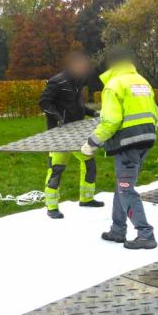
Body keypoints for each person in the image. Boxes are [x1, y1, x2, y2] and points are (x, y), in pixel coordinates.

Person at [81, 46, 158, 249]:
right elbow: (155, 112)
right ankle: (117, 230)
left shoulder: (114, 85)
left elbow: (111, 121)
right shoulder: (142, 81)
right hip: (147, 139)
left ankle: (145, 234)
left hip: (127, 144)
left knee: (125, 189)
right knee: (121, 185)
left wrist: (92, 143)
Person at [39, 50, 104, 219]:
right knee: (57, 168)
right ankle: (51, 206)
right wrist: (58, 118)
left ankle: (87, 198)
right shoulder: (57, 81)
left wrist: (93, 113)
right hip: (59, 135)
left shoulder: (78, 81)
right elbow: (44, 102)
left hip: (77, 132)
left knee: (89, 162)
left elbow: (77, 106)